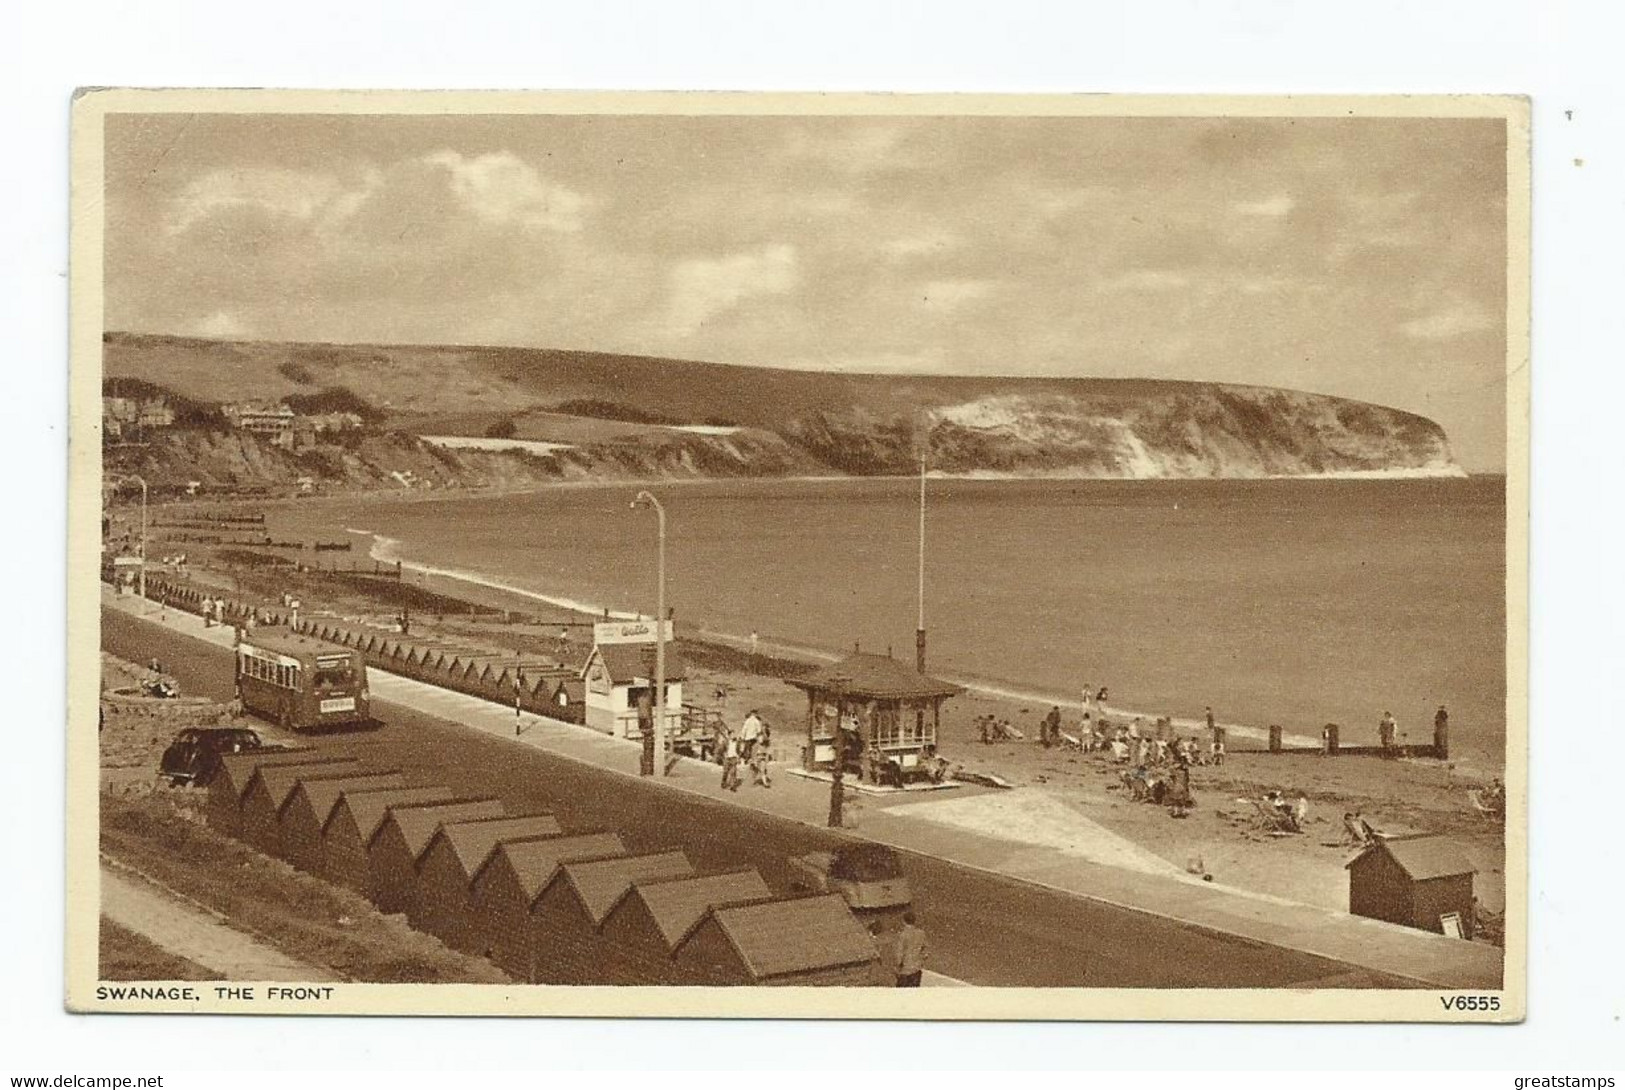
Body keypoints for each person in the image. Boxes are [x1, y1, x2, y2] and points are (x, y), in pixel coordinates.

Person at [894, 912, 927, 987]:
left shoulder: (902, 935)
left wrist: (897, 967)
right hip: (916, 968)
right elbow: (925, 950)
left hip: (905, 970)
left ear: (904, 921)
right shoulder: (921, 933)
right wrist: (921, 960)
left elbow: (899, 953)